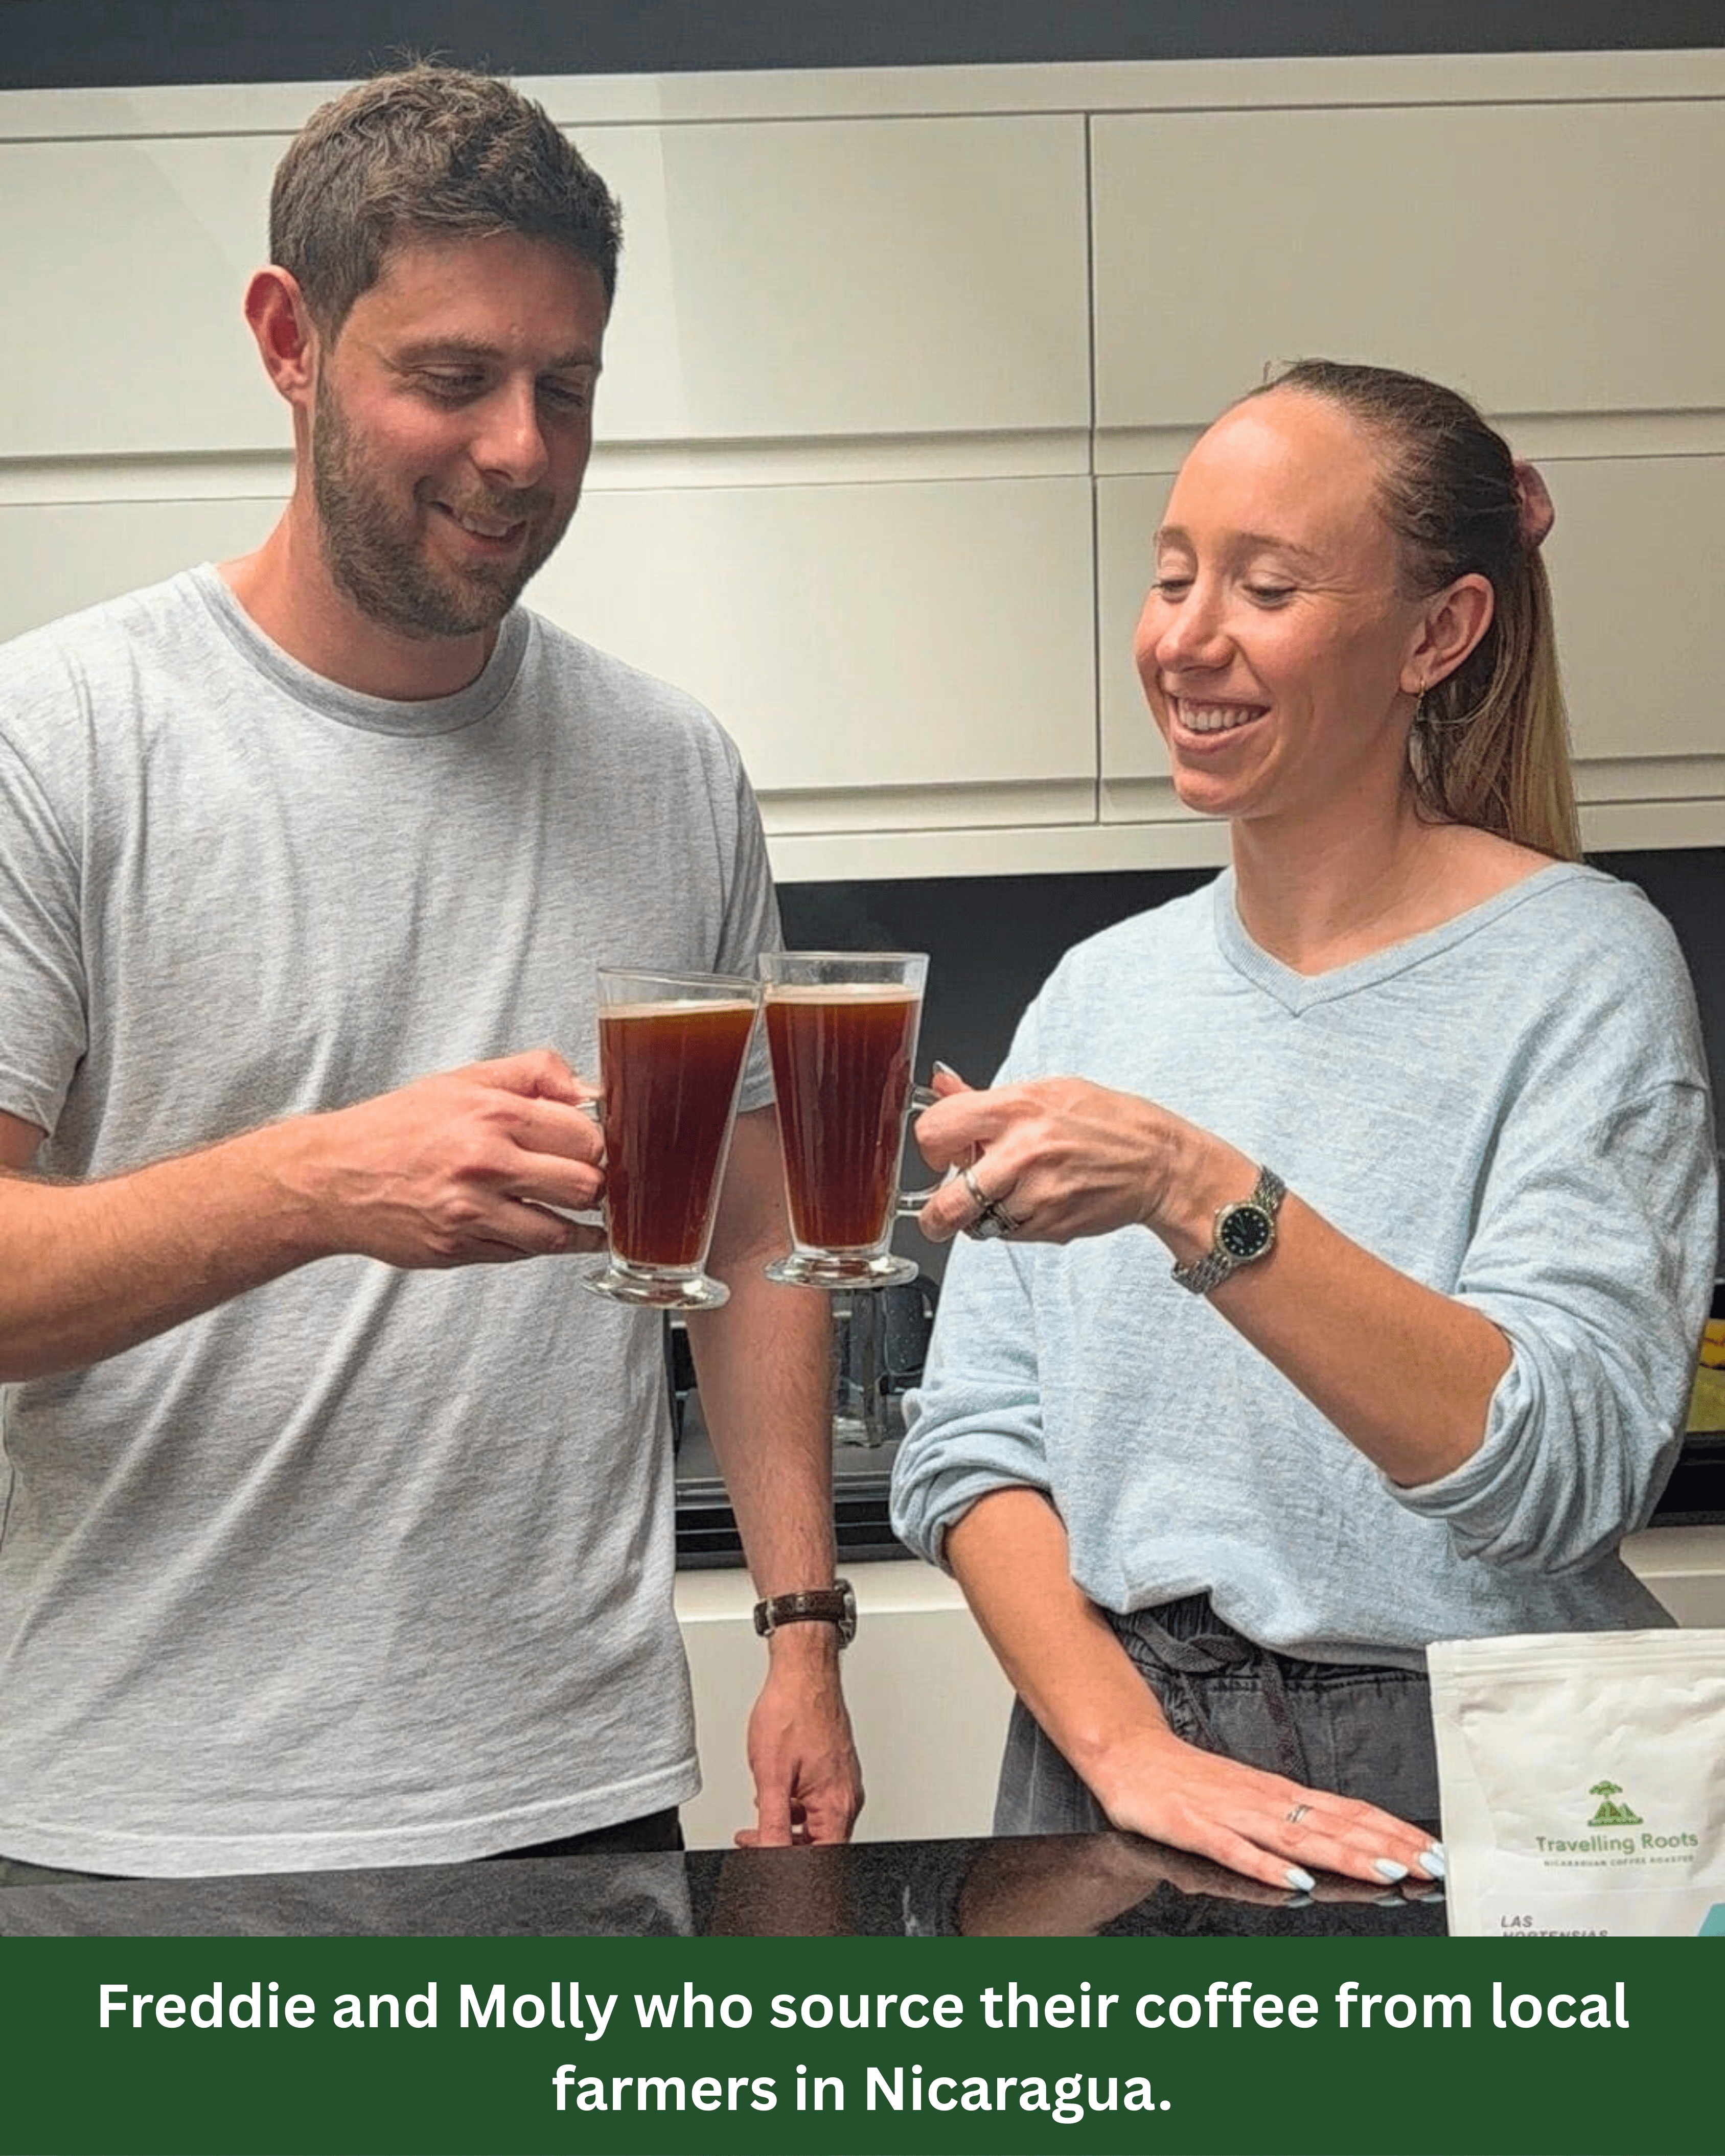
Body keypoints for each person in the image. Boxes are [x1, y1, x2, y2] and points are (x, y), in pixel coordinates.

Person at [0, 62, 861, 1880]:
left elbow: (755, 1216)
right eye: (452, 380)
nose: (523, 451)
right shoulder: (57, 737)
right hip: (137, 1829)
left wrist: (802, 1627)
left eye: (568, 388)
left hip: (576, 1802)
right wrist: (318, 1180)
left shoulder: (670, 764)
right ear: (287, 339)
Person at [892, 359, 1717, 1896]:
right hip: (1113, 1755)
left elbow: (1561, 1473)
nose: (1184, 639)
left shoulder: (1581, 973)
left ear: (1438, 632)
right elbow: (970, 1446)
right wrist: (1127, 1750)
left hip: (1461, 1777)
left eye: (1263, 587)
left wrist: (1194, 1187)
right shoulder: (1097, 992)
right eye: (1169, 576)